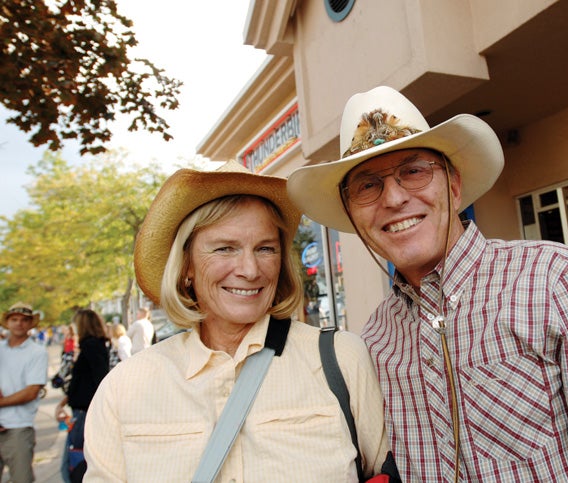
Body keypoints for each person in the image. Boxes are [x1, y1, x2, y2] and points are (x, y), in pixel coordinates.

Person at [286, 86, 568, 482]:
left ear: (454, 185)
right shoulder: (374, 341)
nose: (393, 198)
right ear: (353, 216)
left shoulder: (552, 282)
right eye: (367, 185)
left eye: (413, 171)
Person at [83, 160, 388, 481]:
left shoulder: (341, 360)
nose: (250, 269)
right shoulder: (124, 389)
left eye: (265, 248)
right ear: (186, 266)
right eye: (225, 248)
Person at [55, 309, 110, 482]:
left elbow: (100, 380)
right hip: (82, 411)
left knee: (74, 466)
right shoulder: (93, 345)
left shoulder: (92, 346)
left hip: (86, 413)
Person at [0, 302, 49, 483]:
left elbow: (30, 392)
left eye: (24, 320)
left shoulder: (37, 352)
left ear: (31, 324)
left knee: (21, 479)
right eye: (14, 319)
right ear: (7, 322)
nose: (19, 323)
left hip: (18, 427)